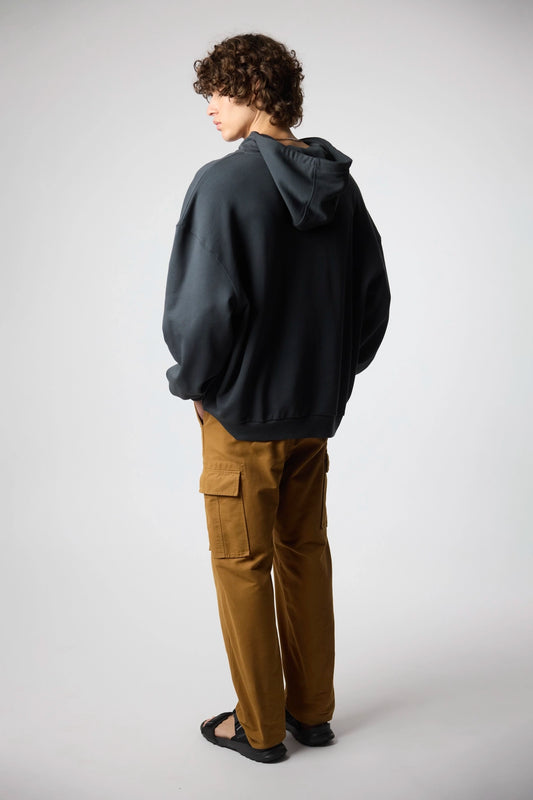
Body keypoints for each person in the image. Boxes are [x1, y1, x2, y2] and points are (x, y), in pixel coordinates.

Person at [162, 32, 391, 763]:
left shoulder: (221, 185)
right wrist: (330, 379)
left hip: (240, 418)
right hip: (310, 418)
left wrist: (195, 386)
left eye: (219, 92)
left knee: (241, 567)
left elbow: (201, 313)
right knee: (304, 554)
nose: (209, 107)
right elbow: (372, 302)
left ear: (255, 93)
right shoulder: (340, 187)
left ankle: (258, 728)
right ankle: (312, 713)